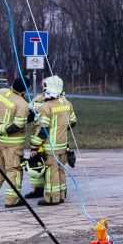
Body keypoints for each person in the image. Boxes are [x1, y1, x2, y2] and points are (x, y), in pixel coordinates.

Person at [0, 76, 31, 206]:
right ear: (25, 89)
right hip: (12, 144)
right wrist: (1, 129)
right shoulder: (22, 104)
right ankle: (12, 200)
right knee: (13, 170)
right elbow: (17, 126)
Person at [33, 75, 77, 205]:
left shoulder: (46, 107)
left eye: (45, 87)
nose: (43, 89)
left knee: (51, 172)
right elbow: (73, 122)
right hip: (63, 145)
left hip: (51, 147)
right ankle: (61, 195)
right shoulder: (67, 104)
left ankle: (52, 198)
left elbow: (43, 131)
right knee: (61, 170)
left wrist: (35, 146)